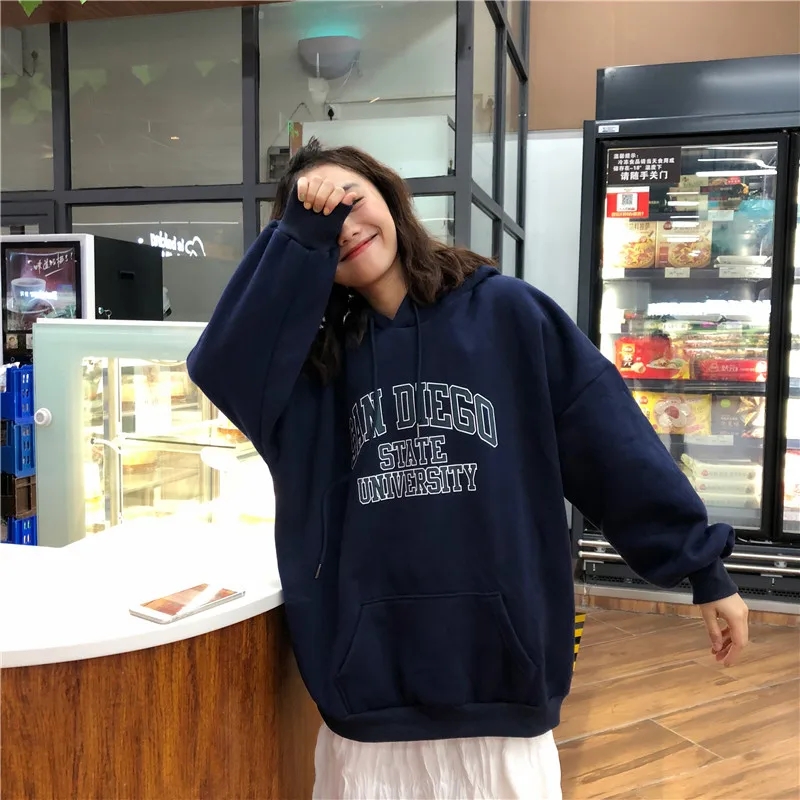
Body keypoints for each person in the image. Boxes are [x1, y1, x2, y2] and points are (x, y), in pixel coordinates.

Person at [187, 139, 749, 800]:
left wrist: (702, 567)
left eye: (350, 201)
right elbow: (220, 369)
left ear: (391, 198)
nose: (343, 226)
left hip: (502, 683)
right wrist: (299, 238)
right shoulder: (311, 368)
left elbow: (610, 441)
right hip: (370, 695)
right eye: (318, 221)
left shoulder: (507, 314)